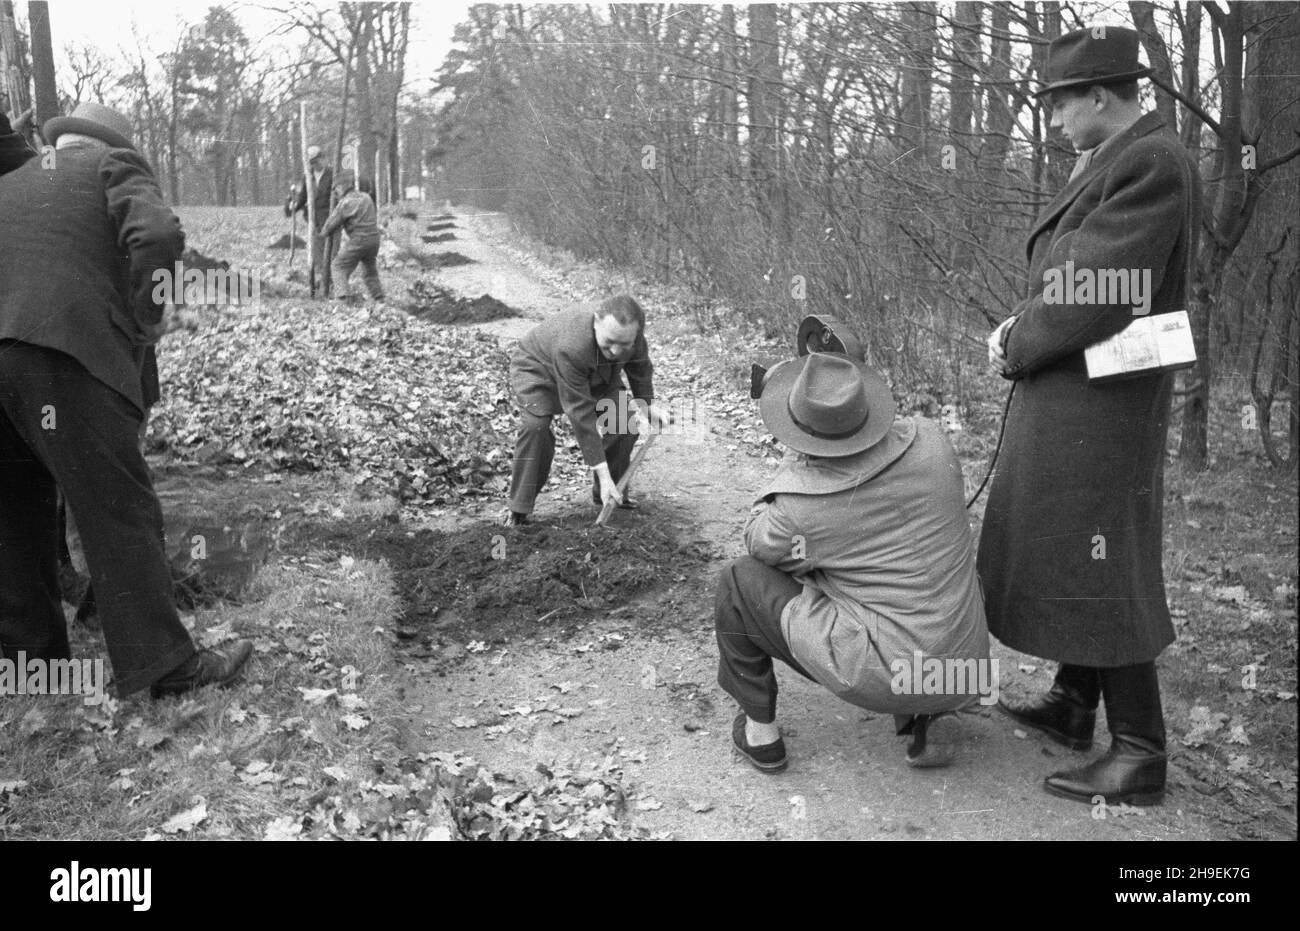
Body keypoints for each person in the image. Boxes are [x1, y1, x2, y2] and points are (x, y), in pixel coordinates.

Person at [980, 26, 1199, 806]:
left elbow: (1096, 288)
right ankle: (1076, 702)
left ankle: (1140, 747)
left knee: (1106, 556)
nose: (1056, 120)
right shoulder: (1116, 156)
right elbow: (1069, 273)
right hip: (1084, 387)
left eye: (1063, 104)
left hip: (1105, 398)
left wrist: (1017, 340)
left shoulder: (1151, 162)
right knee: (1077, 544)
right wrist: (1031, 322)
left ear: (1101, 96)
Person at [0, 101, 252, 700]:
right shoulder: (114, 164)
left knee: (12, 516)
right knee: (117, 509)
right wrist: (146, 316)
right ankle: (163, 668)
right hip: (64, 350)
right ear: (111, 141)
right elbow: (158, 236)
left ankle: (34, 670)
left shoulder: (12, 182)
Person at [717, 351, 990, 771]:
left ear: (799, 434)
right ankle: (934, 714)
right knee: (914, 571)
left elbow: (758, 541)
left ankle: (761, 734)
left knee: (739, 581)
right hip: (965, 661)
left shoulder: (800, 509)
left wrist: (797, 454)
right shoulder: (933, 439)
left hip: (889, 673)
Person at [505, 295, 670, 525]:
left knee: (622, 422)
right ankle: (519, 508)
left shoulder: (631, 336)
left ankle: (609, 494)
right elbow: (581, 414)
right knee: (536, 427)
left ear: (635, 334)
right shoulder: (572, 345)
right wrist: (601, 471)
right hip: (539, 369)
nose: (615, 350)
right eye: (610, 341)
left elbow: (639, 366)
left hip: (596, 372)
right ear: (596, 323)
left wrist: (647, 405)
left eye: (624, 345)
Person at [321, 169, 384, 302]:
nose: (335, 194)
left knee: (338, 267)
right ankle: (379, 299)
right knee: (370, 272)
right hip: (374, 240)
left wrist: (321, 234)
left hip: (359, 240)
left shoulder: (345, 203)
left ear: (341, 187)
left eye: (336, 190)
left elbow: (328, 228)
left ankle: (343, 299)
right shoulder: (366, 197)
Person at [285, 144, 333, 293]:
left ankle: (331, 282)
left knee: (331, 252)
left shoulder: (333, 174)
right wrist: (293, 205)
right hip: (314, 221)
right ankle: (322, 282)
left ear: (324, 158)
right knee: (317, 254)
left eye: (317, 161)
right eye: (311, 162)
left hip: (331, 220)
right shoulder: (307, 176)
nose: (315, 165)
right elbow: (302, 197)